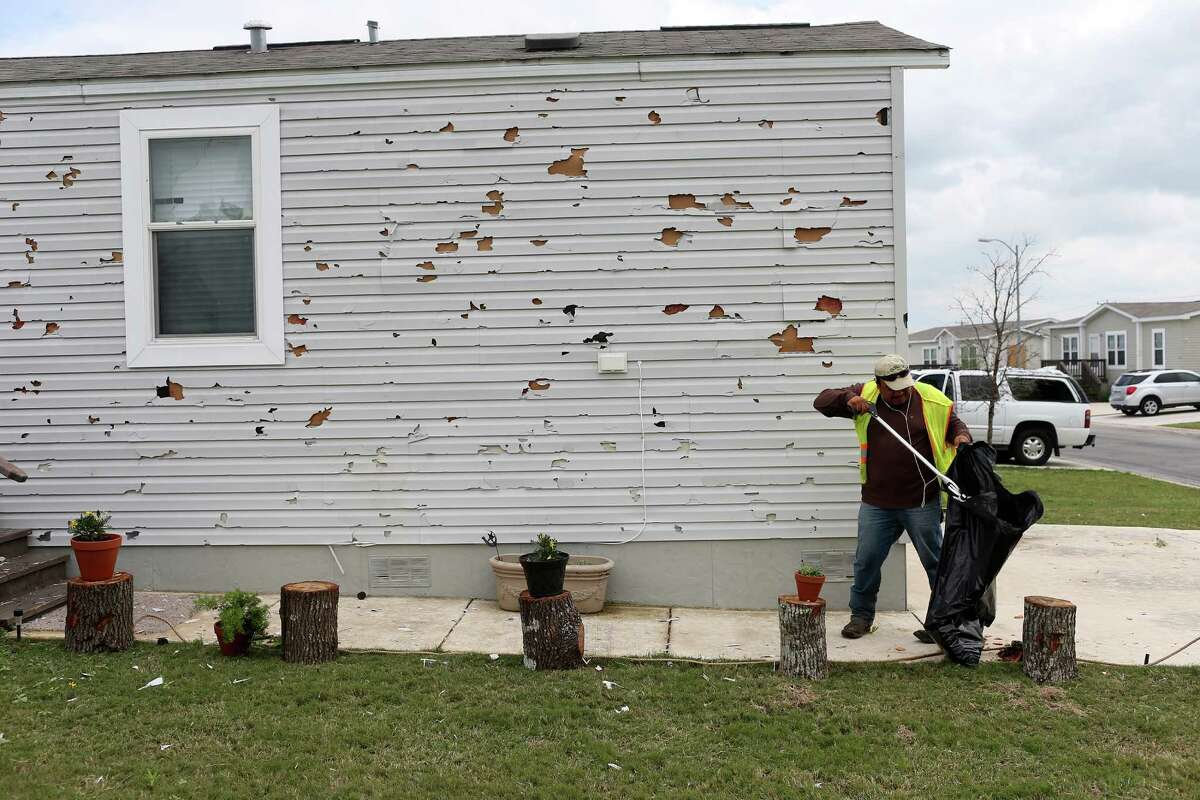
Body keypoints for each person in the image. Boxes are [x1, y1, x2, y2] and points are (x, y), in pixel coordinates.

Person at [814, 354, 971, 640]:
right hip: (877, 503)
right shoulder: (866, 395)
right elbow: (821, 401)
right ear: (879, 383)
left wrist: (961, 437)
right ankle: (861, 618)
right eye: (893, 389)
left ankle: (944, 624)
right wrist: (849, 399)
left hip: (921, 500)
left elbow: (955, 424)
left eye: (905, 387)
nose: (901, 393)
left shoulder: (929, 399)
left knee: (937, 563)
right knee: (866, 561)